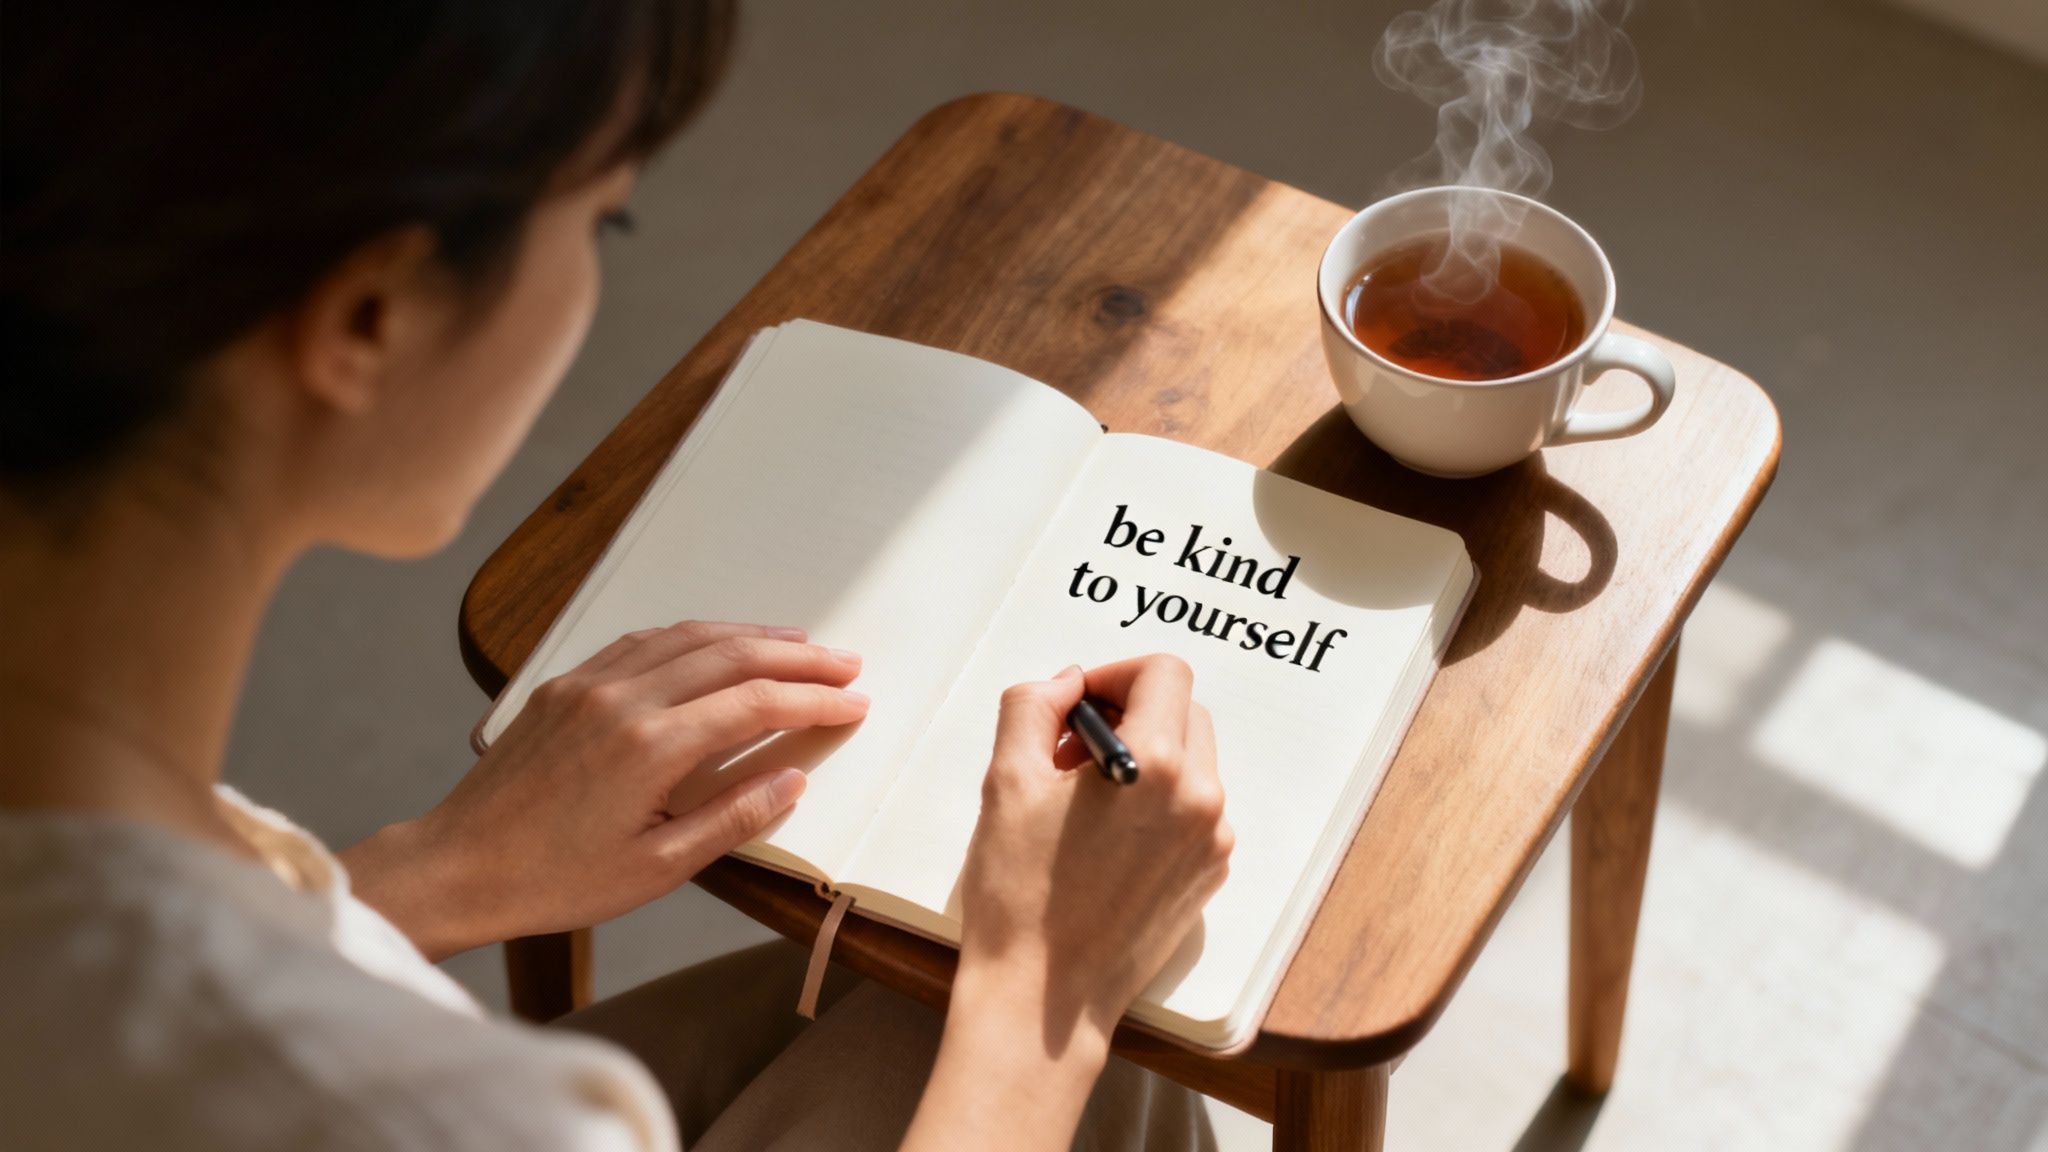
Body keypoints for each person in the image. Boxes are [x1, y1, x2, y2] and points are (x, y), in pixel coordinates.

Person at [0, 4, 1235, 1150]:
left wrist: (425, 874)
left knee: (929, 1009)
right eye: (601, 218)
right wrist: (1049, 1000)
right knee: (1094, 1046)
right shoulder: (427, 1112)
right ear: (369, 318)